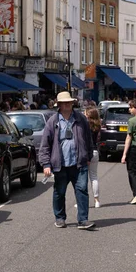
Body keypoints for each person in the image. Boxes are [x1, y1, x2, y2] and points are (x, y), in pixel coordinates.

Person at [39, 91, 95, 230]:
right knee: (59, 192)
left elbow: (88, 139)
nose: (67, 104)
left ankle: (83, 220)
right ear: (59, 105)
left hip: (79, 163)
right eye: (64, 103)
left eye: (69, 102)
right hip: (60, 164)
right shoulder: (53, 121)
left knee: (82, 190)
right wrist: (46, 164)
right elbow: (45, 144)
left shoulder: (81, 119)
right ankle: (60, 218)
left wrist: (88, 156)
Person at [84, 107, 102, 208]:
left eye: (85, 113)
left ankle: (82, 201)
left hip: (86, 152)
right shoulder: (97, 125)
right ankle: (97, 200)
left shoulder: (85, 125)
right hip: (95, 152)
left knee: (83, 179)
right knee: (94, 177)